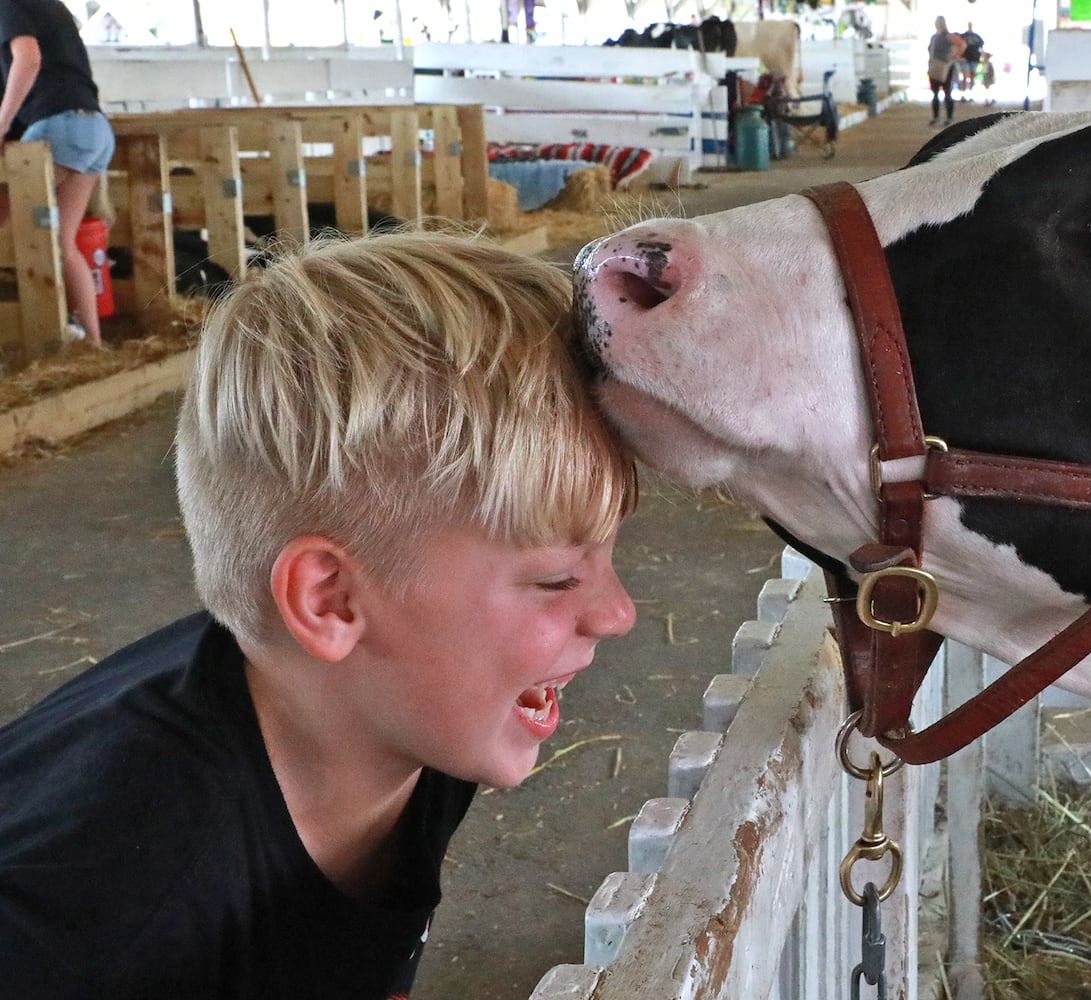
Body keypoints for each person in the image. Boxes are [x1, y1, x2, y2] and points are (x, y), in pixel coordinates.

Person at [0, 229, 639, 998]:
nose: (618, 613)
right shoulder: (103, 925)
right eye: (557, 578)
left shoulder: (407, 719)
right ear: (330, 602)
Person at [0, 0, 114, 347]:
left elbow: (28, 58)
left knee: (6, 216)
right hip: (93, 127)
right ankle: (95, 346)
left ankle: (40, 337)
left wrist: (1, 126)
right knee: (63, 243)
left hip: (59, 125)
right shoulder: (50, 6)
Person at [926, 15, 964, 127]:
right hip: (935, 66)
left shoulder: (948, 36)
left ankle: (949, 117)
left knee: (947, 93)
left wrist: (954, 56)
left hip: (946, 67)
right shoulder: (934, 37)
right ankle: (936, 117)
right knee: (935, 94)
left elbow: (962, 45)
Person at [957, 22, 986, 94]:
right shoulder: (963, 36)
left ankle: (970, 94)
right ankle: (963, 94)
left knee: (972, 77)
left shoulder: (977, 36)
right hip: (965, 59)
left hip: (975, 59)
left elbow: (981, 47)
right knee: (965, 76)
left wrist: (983, 55)